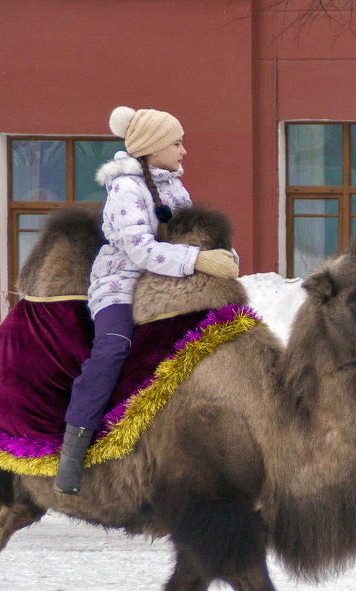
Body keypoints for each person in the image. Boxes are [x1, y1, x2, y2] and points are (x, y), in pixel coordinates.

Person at [54, 105, 239, 495]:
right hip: (120, 286)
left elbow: (191, 236)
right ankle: (73, 451)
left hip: (166, 285)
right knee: (114, 350)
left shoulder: (174, 186)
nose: (183, 150)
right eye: (176, 142)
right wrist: (198, 259)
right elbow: (140, 250)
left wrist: (221, 256)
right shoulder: (125, 189)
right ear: (153, 147)